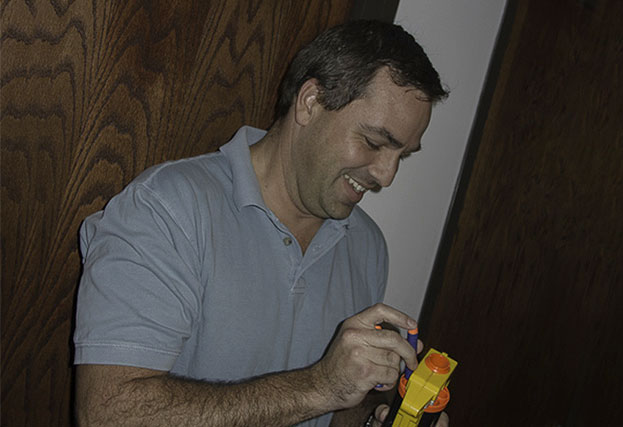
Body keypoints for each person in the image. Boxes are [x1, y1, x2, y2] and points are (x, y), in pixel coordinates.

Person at [72, 20, 449, 427]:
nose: (387, 175)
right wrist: (319, 386)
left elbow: (339, 408)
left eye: (402, 155)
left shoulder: (368, 245)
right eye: (374, 142)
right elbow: (108, 414)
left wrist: (372, 420)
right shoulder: (165, 210)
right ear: (310, 102)